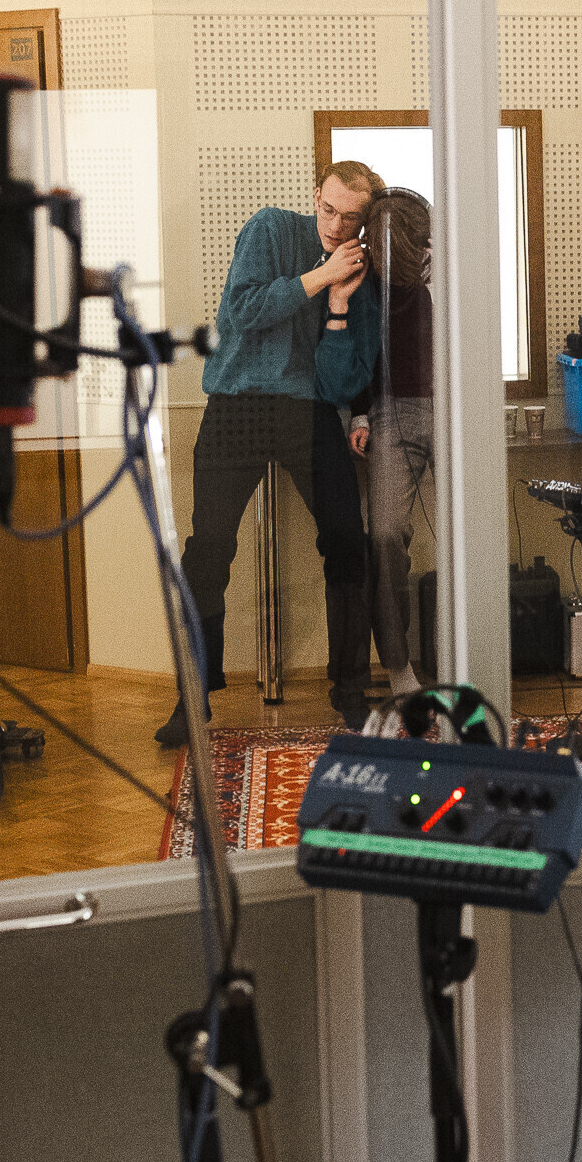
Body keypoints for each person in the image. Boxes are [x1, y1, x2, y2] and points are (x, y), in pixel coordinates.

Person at [161, 157, 381, 744]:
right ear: (315, 197)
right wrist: (321, 277)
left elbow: (341, 381)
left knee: (347, 540)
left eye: (350, 219)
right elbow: (244, 310)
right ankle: (192, 698)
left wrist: (339, 306)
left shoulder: (358, 271)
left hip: (307, 410)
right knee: (208, 550)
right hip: (237, 403)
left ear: (364, 222)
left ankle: (350, 687)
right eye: (328, 209)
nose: (334, 225)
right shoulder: (270, 228)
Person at [349, 188, 434, 698]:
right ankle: (399, 666)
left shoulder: (443, 275)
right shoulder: (363, 283)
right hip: (388, 411)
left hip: (449, 406)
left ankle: (479, 653)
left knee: (472, 531)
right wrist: (359, 411)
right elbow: (354, 354)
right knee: (383, 536)